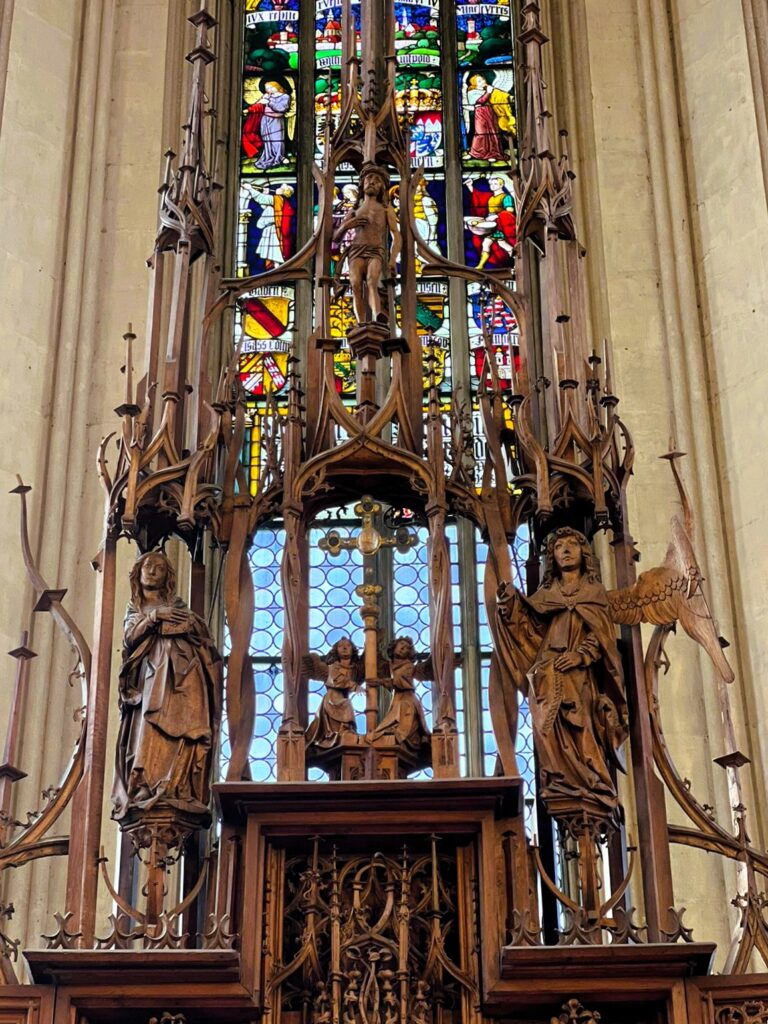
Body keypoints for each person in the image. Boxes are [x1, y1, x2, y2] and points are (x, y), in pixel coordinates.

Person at [496, 528, 628, 820]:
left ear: (584, 553)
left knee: (580, 723)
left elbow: (602, 634)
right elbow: (526, 628)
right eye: (559, 547)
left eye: (572, 545)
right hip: (546, 672)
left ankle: (593, 779)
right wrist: (509, 601)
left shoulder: (594, 594)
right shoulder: (545, 596)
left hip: (579, 673)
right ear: (552, 557)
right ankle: (560, 778)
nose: (566, 550)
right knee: (548, 727)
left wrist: (581, 655)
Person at [112, 552, 222, 821]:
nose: (152, 571)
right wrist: (154, 618)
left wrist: (191, 624)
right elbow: (129, 638)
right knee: (151, 726)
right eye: (147, 566)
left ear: (167, 577)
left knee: (187, 727)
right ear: (137, 573)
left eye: (159, 568)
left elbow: (201, 634)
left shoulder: (179, 605)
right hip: (151, 677)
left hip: (184, 675)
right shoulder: (135, 607)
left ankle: (177, 785)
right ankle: (146, 784)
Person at [333, 165, 401, 323]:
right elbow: (336, 238)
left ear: (382, 188)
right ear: (362, 184)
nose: (372, 182)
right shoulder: (355, 210)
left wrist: (392, 260)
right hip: (356, 251)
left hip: (376, 251)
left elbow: (396, 235)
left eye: (377, 181)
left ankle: (378, 315)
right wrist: (346, 226)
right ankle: (361, 323)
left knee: (372, 281)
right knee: (356, 285)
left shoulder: (385, 209)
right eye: (369, 179)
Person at [369, 636, 431, 758]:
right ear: (393, 648)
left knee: (400, 730)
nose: (404, 648)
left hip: (407, 701)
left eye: (407, 647)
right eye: (401, 645)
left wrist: (380, 681)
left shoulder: (408, 666)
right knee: (383, 732)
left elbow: (400, 682)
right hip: (397, 700)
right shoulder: (390, 665)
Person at [303, 637, 363, 750]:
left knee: (346, 703)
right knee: (346, 704)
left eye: (348, 645)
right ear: (336, 650)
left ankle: (344, 731)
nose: (344, 648)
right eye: (340, 646)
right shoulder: (332, 667)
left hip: (342, 697)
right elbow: (337, 680)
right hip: (333, 698)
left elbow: (366, 665)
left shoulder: (354, 669)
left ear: (353, 650)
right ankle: (339, 732)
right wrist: (354, 686)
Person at [242, 78, 292, 170]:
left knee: (277, 139)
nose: (269, 90)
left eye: (271, 87)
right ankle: (268, 156)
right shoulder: (267, 96)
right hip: (265, 119)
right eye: (267, 88)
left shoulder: (285, 97)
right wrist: (251, 108)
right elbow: (259, 105)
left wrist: (269, 102)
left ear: (277, 86)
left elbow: (281, 108)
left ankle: (280, 157)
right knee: (267, 140)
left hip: (276, 120)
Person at [466, 72, 515, 163]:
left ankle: (493, 153)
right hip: (480, 114)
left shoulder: (490, 90)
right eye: (479, 81)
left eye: (483, 79)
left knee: (493, 133)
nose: (483, 81)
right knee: (480, 133)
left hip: (490, 113)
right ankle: (476, 153)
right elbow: (479, 101)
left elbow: (499, 96)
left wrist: (507, 97)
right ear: (474, 83)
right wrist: (488, 92)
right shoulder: (472, 92)